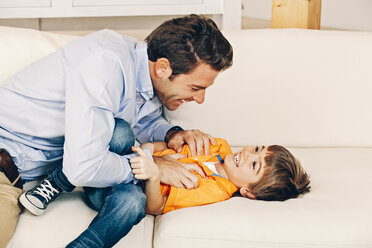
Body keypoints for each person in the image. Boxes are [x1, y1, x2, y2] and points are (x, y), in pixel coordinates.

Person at [0, 14, 233, 248]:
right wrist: (153, 167)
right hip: (4, 162)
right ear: (163, 67)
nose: (201, 99)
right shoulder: (106, 65)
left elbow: (142, 118)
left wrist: (172, 134)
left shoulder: (143, 74)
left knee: (131, 197)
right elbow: (83, 167)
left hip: (23, 173)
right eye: (195, 87)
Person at [131, 138, 311, 215]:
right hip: (131, 155)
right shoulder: (218, 145)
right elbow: (169, 145)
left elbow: (155, 206)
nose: (248, 154)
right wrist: (150, 149)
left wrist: (153, 175)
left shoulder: (213, 191)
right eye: (257, 149)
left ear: (248, 192)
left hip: (134, 187)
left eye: (254, 165)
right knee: (122, 134)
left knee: (127, 204)